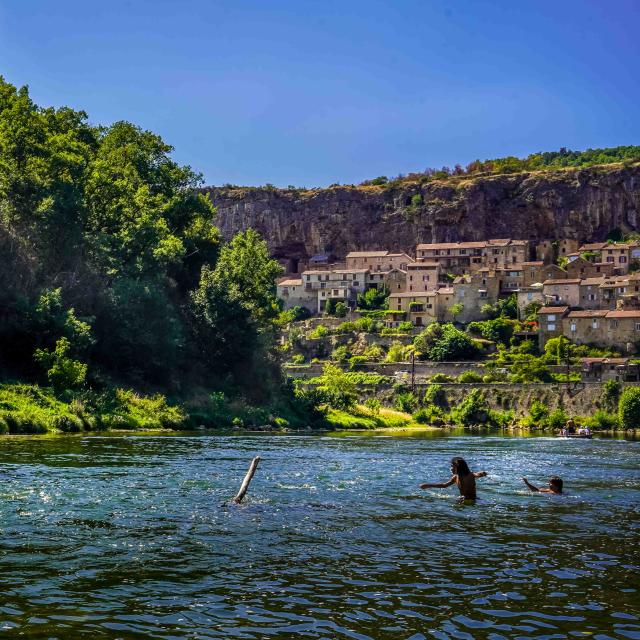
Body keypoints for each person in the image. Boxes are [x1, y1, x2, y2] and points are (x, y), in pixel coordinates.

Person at [420, 456, 487, 501]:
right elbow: (444, 485)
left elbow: (478, 474)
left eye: (452, 466)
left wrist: (483, 473)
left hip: (474, 499)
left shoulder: (470, 475)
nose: (451, 468)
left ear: (459, 467)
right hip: (463, 499)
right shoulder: (455, 477)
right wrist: (428, 485)